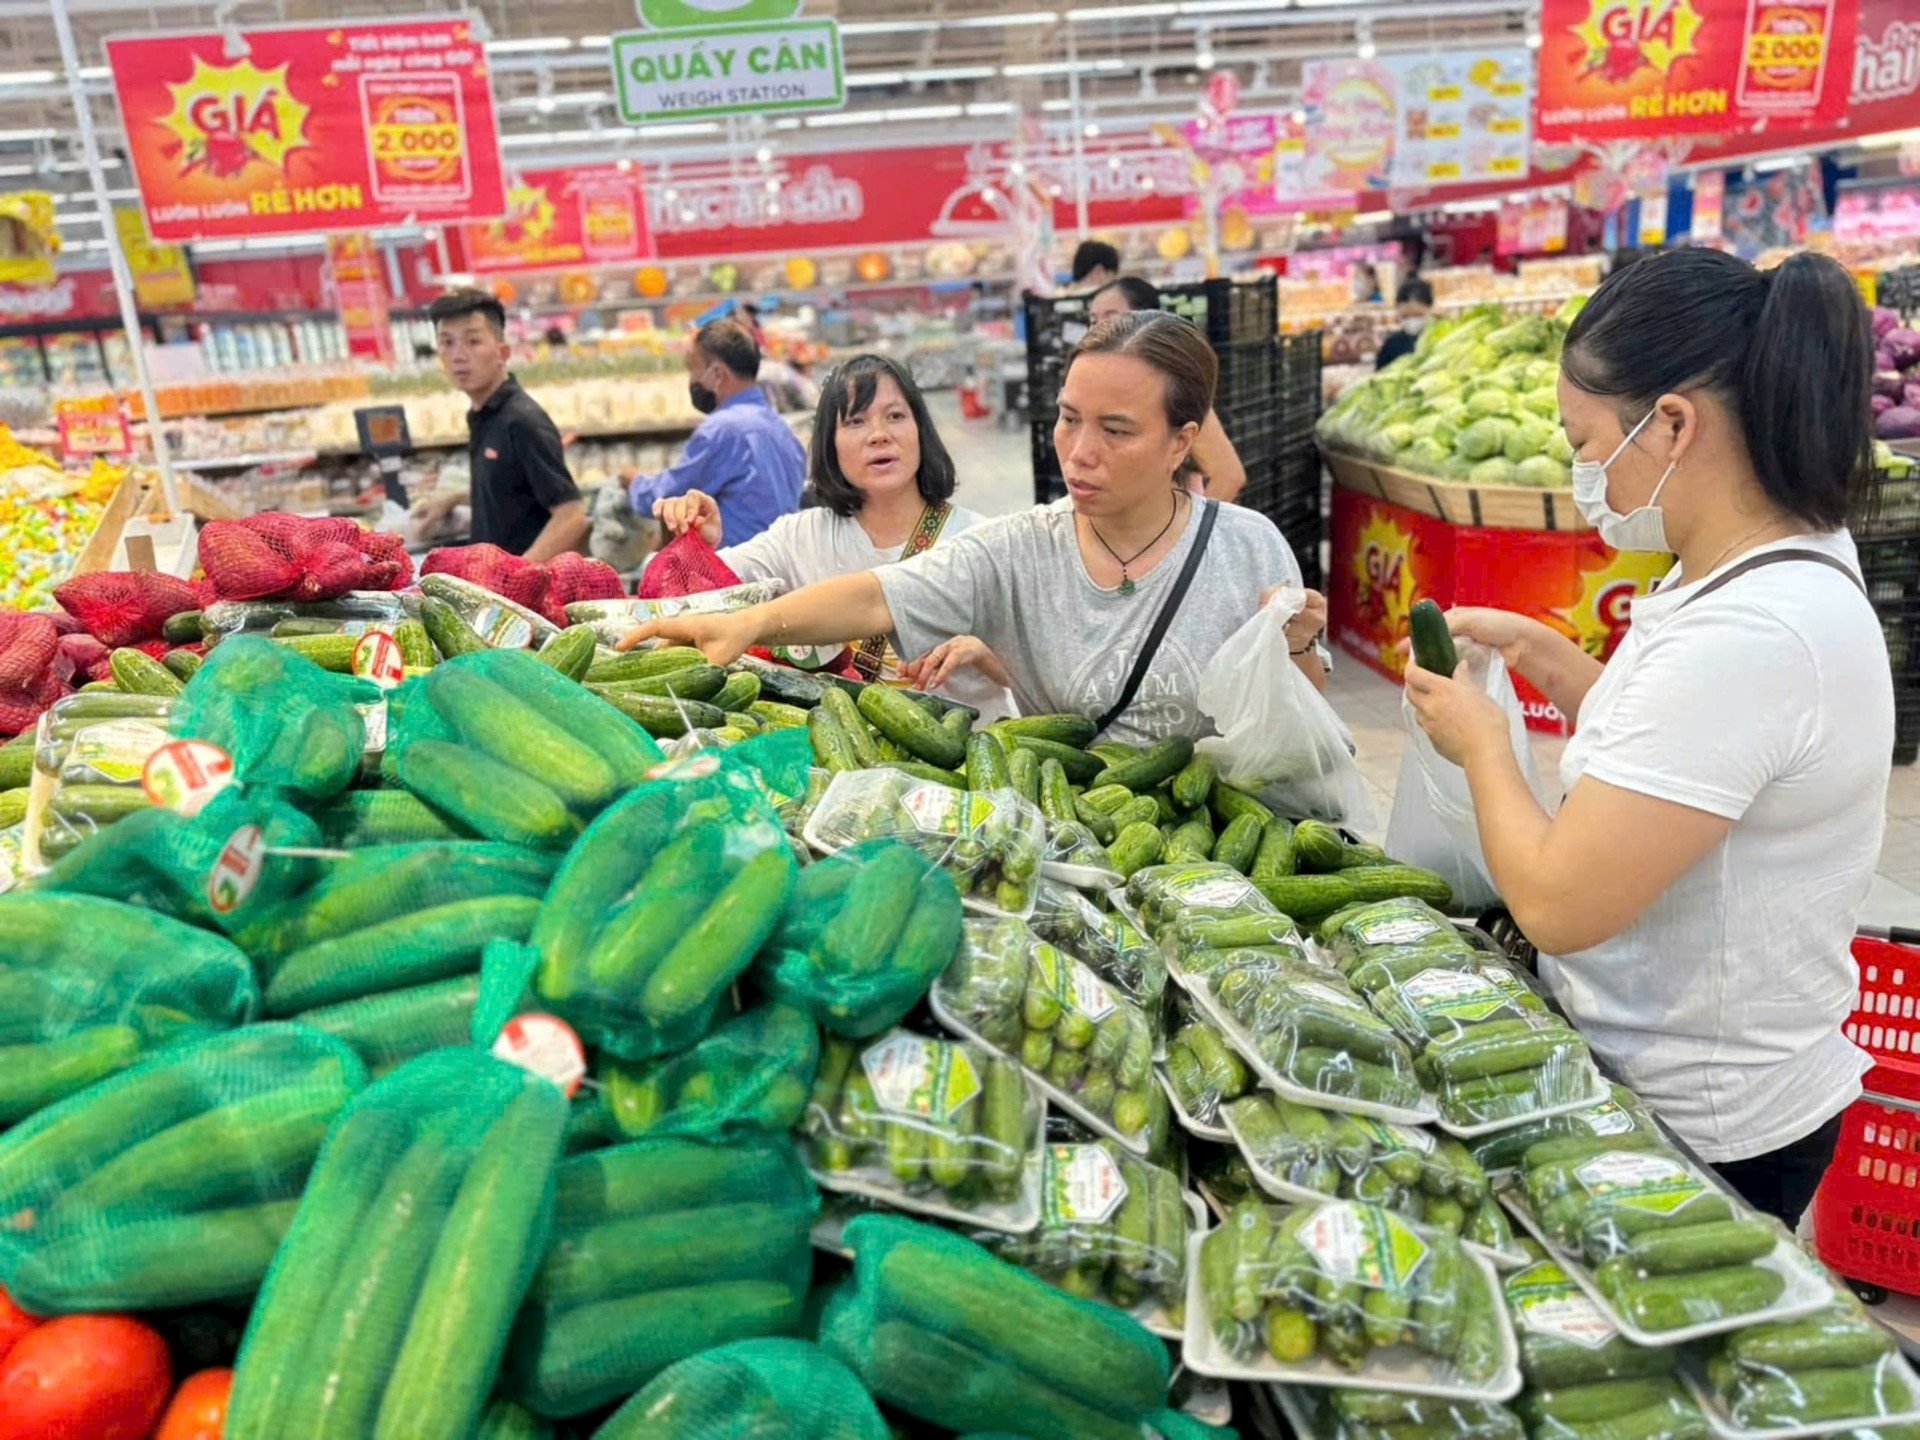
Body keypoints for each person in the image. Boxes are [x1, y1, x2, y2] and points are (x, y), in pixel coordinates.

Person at [1402, 248, 1891, 1226]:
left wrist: (1486, 745)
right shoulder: (1749, 562)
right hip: (1692, 1072)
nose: (1585, 474)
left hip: (1705, 1127)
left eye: (1587, 444)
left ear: (1672, 424)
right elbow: (1688, 768)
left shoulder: (1756, 635)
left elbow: (1558, 903)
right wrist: (1550, 659)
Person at [621, 311, 1327, 745]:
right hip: (1085, 843)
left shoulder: (1250, 546)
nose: (1078, 452)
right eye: (1068, 419)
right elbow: (877, 594)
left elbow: (1304, 720)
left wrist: (1296, 651)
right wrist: (745, 625)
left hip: (1225, 838)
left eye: (1115, 430)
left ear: (1182, 442)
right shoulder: (1018, 546)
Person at [649, 353, 1007, 697]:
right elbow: (686, 600)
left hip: (973, 745)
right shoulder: (799, 537)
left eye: (896, 416)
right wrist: (699, 545)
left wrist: (982, 653)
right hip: (847, 753)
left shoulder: (979, 540)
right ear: (829, 445)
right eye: (855, 421)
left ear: (920, 431)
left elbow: (1050, 668)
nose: (879, 434)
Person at [413, 289, 588, 561]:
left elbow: (572, 514)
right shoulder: (484, 414)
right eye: (447, 343)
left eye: (472, 341)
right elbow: (513, 492)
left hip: (522, 597)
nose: (458, 355)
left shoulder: (522, 420)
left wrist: (517, 576)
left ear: (502, 352)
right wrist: (453, 499)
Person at [628, 319, 807, 547]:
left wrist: (633, 482)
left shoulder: (723, 430)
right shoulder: (779, 426)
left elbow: (667, 498)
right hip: (780, 563)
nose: (691, 379)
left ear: (718, 374)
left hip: (737, 570)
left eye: (693, 368)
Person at [1090, 277, 1247, 502]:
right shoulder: (1095, 388)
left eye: (1111, 317)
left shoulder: (1171, 386)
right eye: (1093, 320)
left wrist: (1189, 534)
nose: (1098, 329)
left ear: (1146, 318)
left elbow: (1229, 476)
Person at [1374, 277, 1434, 370]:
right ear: (1397, 312)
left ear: (1430, 309)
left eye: (1418, 315)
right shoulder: (1391, 345)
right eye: (1405, 316)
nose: (1412, 320)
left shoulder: (1442, 341)